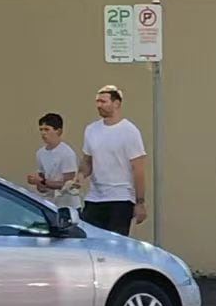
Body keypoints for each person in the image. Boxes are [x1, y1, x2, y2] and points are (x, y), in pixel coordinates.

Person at [79, 86, 146, 235]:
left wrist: (140, 202)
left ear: (116, 104)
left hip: (121, 198)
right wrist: (81, 175)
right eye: (97, 101)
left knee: (115, 242)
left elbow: (138, 169)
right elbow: (87, 161)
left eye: (103, 101)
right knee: (89, 238)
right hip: (95, 198)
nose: (99, 105)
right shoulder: (91, 130)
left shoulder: (129, 131)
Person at [27, 112, 81, 217]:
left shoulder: (67, 153)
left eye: (47, 129)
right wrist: (37, 182)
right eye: (41, 130)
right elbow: (42, 183)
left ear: (58, 131)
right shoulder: (40, 153)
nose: (43, 133)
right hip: (50, 205)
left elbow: (68, 184)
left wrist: (43, 182)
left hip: (68, 207)